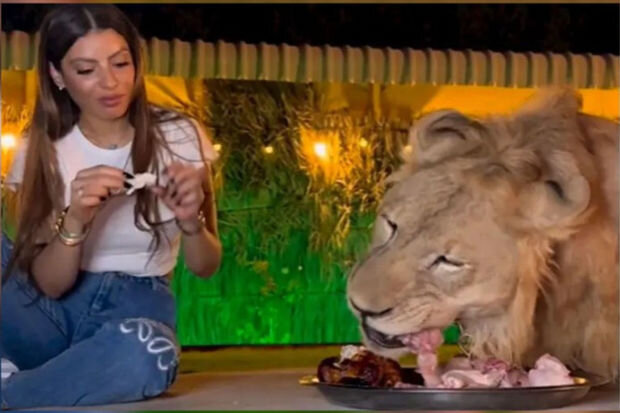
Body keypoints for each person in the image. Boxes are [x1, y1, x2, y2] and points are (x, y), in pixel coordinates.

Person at [1, 4, 222, 409]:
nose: (110, 82)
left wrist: (190, 222)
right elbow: (49, 286)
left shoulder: (180, 136)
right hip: (47, 316)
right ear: (57, 75)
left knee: (150, 354)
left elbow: (206, 266)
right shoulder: (40, 149)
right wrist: (76, 220)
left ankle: (16, 388)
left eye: (120, 63)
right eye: (86, 70)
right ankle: (56, 377)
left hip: (135, 313)